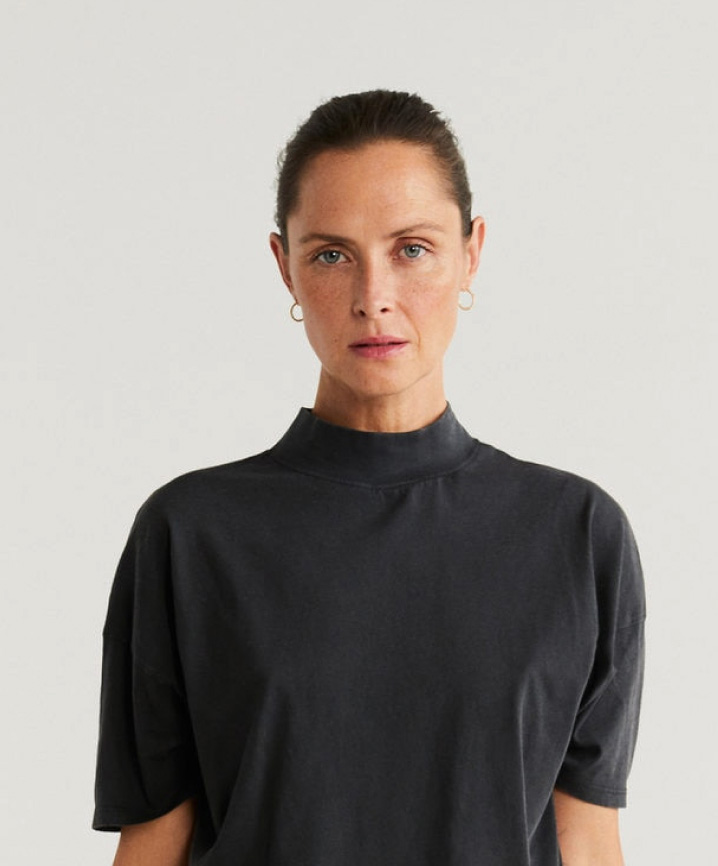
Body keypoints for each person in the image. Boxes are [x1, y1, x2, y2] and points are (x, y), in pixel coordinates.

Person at [91, 90, 645, 865]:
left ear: (471, 253)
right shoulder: (190, 535)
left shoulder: (577, 536)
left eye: (412, 249)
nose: (372, 299)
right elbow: (154, 843)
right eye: (331, 255)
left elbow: (586, 842)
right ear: (284, 266)